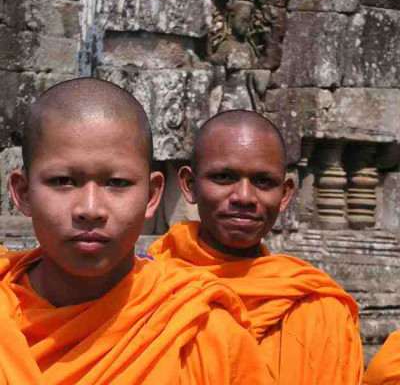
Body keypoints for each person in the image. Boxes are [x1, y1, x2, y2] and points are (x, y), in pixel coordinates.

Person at [1, 80, 270, 385]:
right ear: (23, 193)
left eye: (117, 183)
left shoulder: (201, 332)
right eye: (63, 181)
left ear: (152, 195)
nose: (90, 209)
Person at [148, 109, 364, 385]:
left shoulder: (318, 307)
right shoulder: (147, 292)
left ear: (285, 194)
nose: (244, 197)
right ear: (190, 185)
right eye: (224, 177)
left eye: (263, 182)